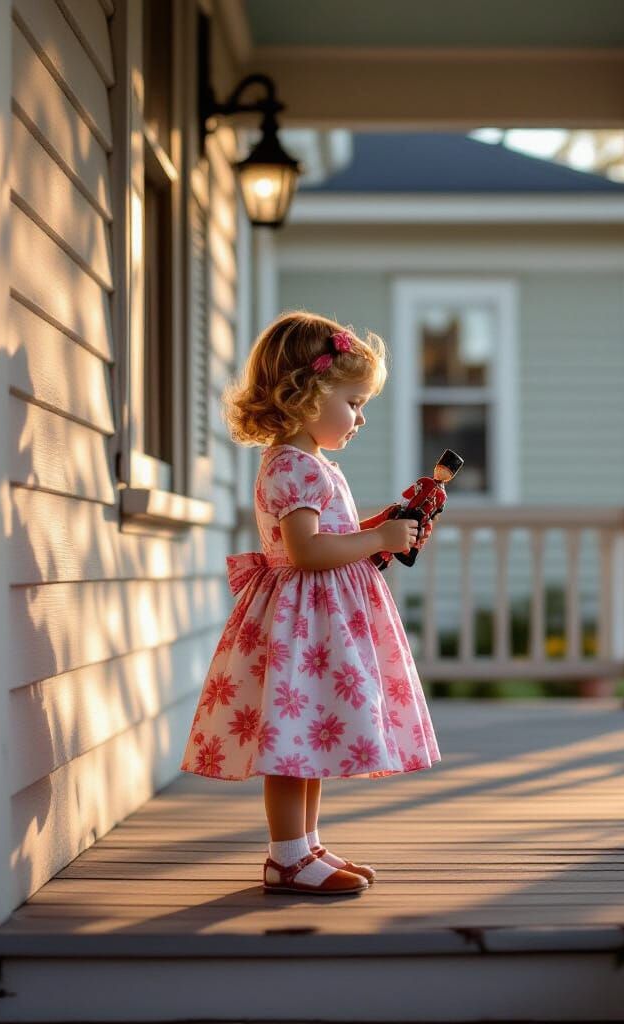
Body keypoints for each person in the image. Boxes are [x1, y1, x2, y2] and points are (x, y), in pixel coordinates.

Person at [179, 310, 441, 896]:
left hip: (318, 621)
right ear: (306, 395)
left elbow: (328, 536)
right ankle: (286, 857)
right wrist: (378, 540)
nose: (360, 417)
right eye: (352, 401)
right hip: (303, 624)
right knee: (291, 743)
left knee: (311, 739)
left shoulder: (308, 465)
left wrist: (377, 524)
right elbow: (303, 551)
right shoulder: (293, 466)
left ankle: (306, 844)